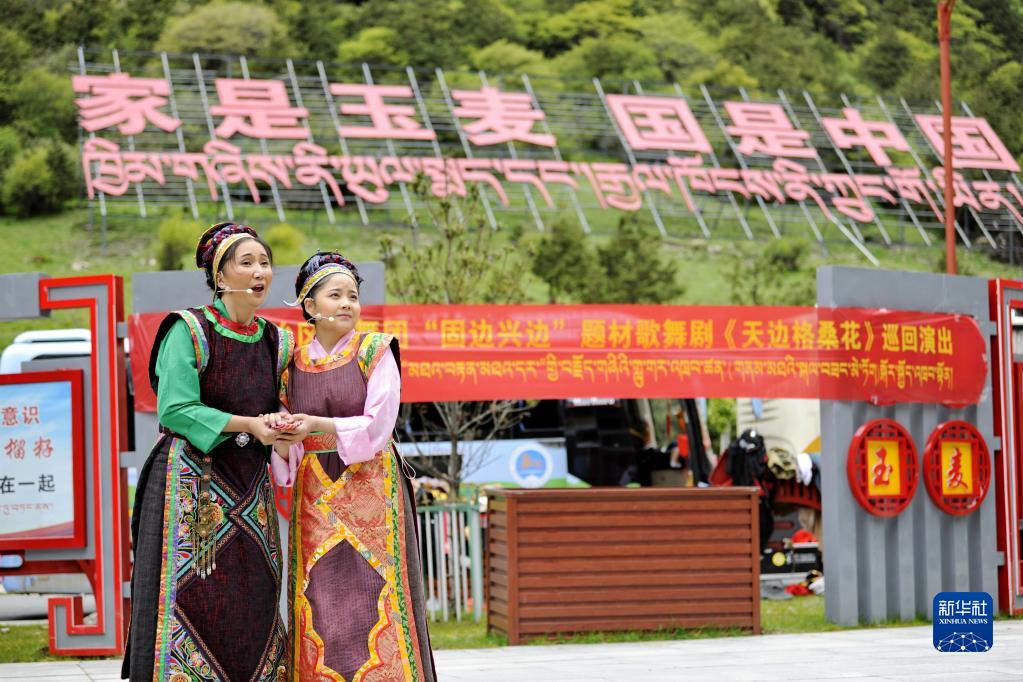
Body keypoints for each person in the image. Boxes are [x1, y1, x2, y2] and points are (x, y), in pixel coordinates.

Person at [123, 223, 293, 682]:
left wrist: (282, 424)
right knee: (194, 594)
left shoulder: (277, 341)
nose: (259, 272)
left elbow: (281, 402)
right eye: (247, 263)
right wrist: (247, 424)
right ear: (220, 276)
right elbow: (176, 409)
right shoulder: (187, 329)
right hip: (190, 485)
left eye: (265, 263)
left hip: (250, 485)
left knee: (255, 595)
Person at [267, 252, 436, 681]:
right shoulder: (291, 366)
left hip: (372, 486)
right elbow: (288, 445)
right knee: (318, 591)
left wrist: (318, 424)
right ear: (310, 305)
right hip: (316, 491)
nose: (347, 303)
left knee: (375, 588)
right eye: (335, 295)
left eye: (353, 296)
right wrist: (284, 438)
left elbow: (379, 424)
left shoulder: (375, 350)